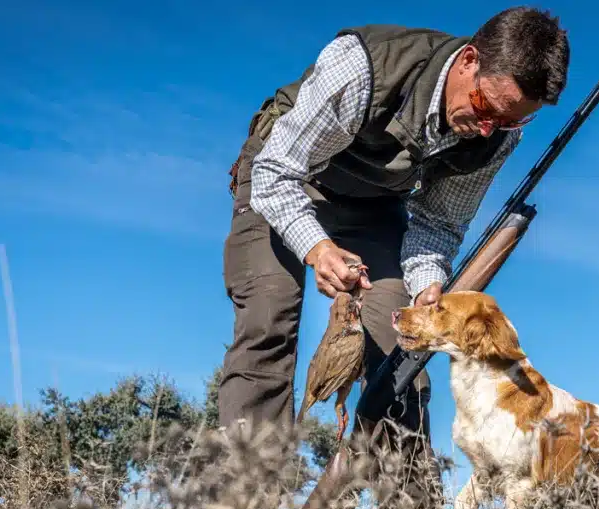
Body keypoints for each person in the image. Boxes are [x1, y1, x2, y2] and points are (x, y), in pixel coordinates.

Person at [217, 6, 570, 444]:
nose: (486, 130)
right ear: (468, 60)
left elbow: (437, 222)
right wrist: (317, 247)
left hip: (374, 201)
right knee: (268, 325)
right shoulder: (362, 65)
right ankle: (241, 505)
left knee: (403, 358)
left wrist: (427, 285)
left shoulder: (495, 136)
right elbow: (276, 172)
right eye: (485, 107)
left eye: (509, 120)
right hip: (285, 177)